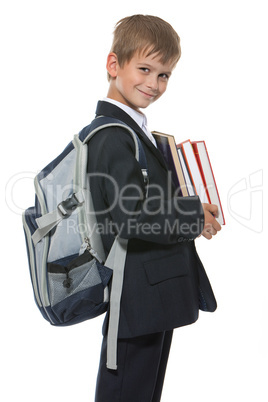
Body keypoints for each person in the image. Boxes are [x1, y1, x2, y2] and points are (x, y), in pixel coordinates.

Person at [87, 14, 222, 402]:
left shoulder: (133, 131)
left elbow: (147, 205)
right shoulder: (111, 136)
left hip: (152, 299)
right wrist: (193, 217)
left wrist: (194, 210)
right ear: (114, 65)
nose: (154, 83)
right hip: (136, 301)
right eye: (144, 69)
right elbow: (130, 218)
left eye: (164, 75)